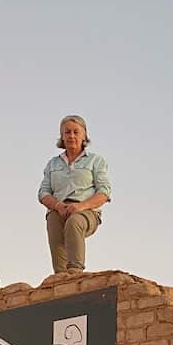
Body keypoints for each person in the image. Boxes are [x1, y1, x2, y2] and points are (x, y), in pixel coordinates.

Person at [38, 115, 112, 273]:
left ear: (84, 135)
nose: (71, 136)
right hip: (58, 209)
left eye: (76, 132)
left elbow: (104, 192)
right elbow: (43, 192)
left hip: (87, 211)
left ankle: (75, 272)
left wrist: (80, 206)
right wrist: (58, 206)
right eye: (67, 132)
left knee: (74, 222)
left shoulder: (95, 161)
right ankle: (60, 277)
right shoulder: (53, 164)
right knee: (53, 221)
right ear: (62, 136)